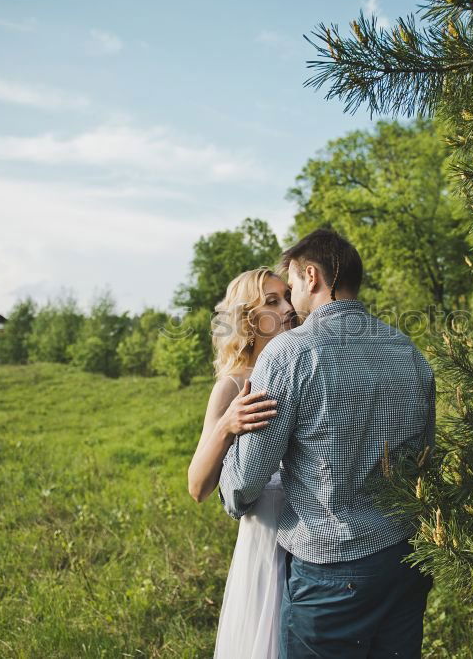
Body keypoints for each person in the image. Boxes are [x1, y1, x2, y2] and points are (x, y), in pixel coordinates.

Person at [219, 228, 436, 658]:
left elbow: (245, 482)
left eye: (294, 283)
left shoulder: (291, 353)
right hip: (407, 560)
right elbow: (426, 461)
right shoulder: (408, 351)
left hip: (333, 573)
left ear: (312, 276)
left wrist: (230, 485)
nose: (293, 297)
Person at [186, 266, 297, 659]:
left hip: (313, 545)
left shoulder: (301, 367)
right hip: (265, 546)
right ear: (248, 320)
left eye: (287, 295)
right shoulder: (233, 383)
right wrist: (227, 425)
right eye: (272, 301)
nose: (288, 307)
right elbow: (198, 487)